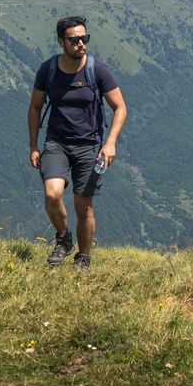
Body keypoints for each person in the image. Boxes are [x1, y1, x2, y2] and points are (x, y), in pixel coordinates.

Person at [27, 16, 127, 271]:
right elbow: (35, 107)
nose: (81, 44)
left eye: (85, 38)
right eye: (74, 40)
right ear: (61, 42)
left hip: (90, 147)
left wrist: (110, 143)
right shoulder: (48, 69)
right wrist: (34, 146)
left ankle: (83, 257)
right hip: (56, 143)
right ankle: (64, 238)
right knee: (52, 194)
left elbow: (120, 108)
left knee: (83, 208)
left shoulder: (98, 70)